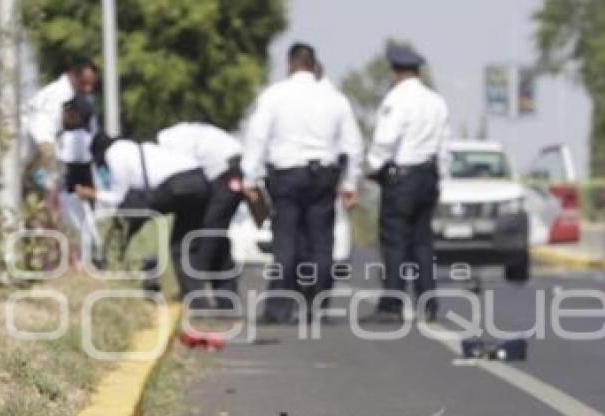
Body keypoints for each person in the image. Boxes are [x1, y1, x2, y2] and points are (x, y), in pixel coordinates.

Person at [242, 43, 363, 325]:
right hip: (323, 176)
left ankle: (280, 309)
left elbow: (257, 137)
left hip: (286, 177)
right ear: (313, 64)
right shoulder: (335, 99)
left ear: (290, 64)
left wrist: (250, 178)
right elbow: (353, 145)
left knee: (286, 242)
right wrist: (350, 184)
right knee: (321, 244)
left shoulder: (275, 95)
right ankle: (317, 306)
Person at [365, 45, 450, 324]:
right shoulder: (437, 102)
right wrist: (441, 182)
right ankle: (429, 303)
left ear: (395, 72)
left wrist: (374, 166)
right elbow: (444, 148)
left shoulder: (397, 99)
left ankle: (392, 304)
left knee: (395, 243)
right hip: (428, 176)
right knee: (423, 243)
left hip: (402, 179)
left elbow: (386, 140)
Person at [77, 134, 212, 301]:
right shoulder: (137, 147)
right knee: (183, 244)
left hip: (178, 185)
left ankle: (137, 267)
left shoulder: (114, 154)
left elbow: (119, 197)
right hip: (201, 181)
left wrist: (92, 194)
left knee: (131, 216)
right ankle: (196, 300)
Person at [157, 122, 245, 311]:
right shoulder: (178, 135)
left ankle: (196, 298)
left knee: (201, 239)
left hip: (223, 175)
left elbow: (183, 180)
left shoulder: (169, 144)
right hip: (228, 173)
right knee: (216, 238)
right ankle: (225, 300)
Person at [24, 59, 101, 266]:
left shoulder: (84, 100)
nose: (88, 88)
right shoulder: (54, 96)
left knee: (73, 214)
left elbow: (92, 132)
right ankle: (45, 262)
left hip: (73, 163)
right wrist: (49, 161)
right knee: (45, 214)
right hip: (43, 161)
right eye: (84, 83)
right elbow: (41, 131)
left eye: (91, 84)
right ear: (73, 76)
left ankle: (76, 259)